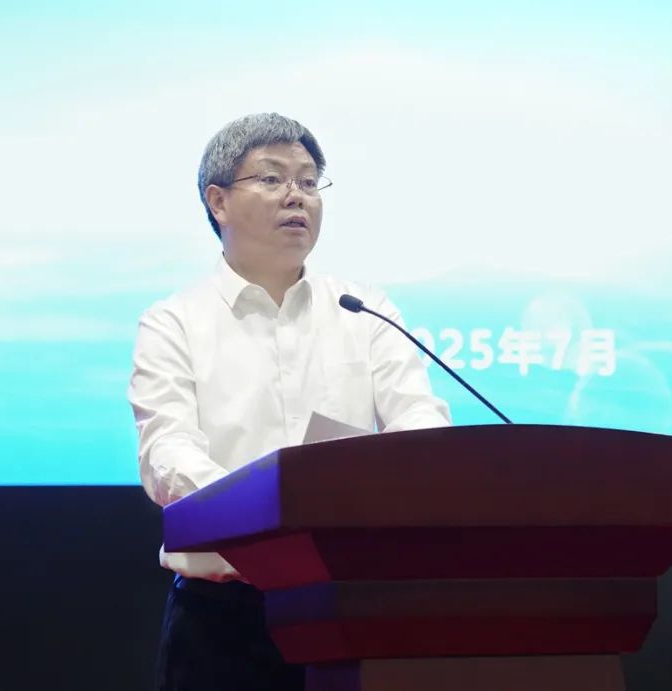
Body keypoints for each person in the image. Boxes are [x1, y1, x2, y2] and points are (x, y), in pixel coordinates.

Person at [127, 113, 452, 691]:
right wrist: (270, 519)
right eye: (272, 178)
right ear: (218, 201)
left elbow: (419, 421)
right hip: (222, 623)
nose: (296, 196)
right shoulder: (174, 322)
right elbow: (167, 455)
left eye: (308, 181)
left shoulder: (364, 311)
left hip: (353, 610)